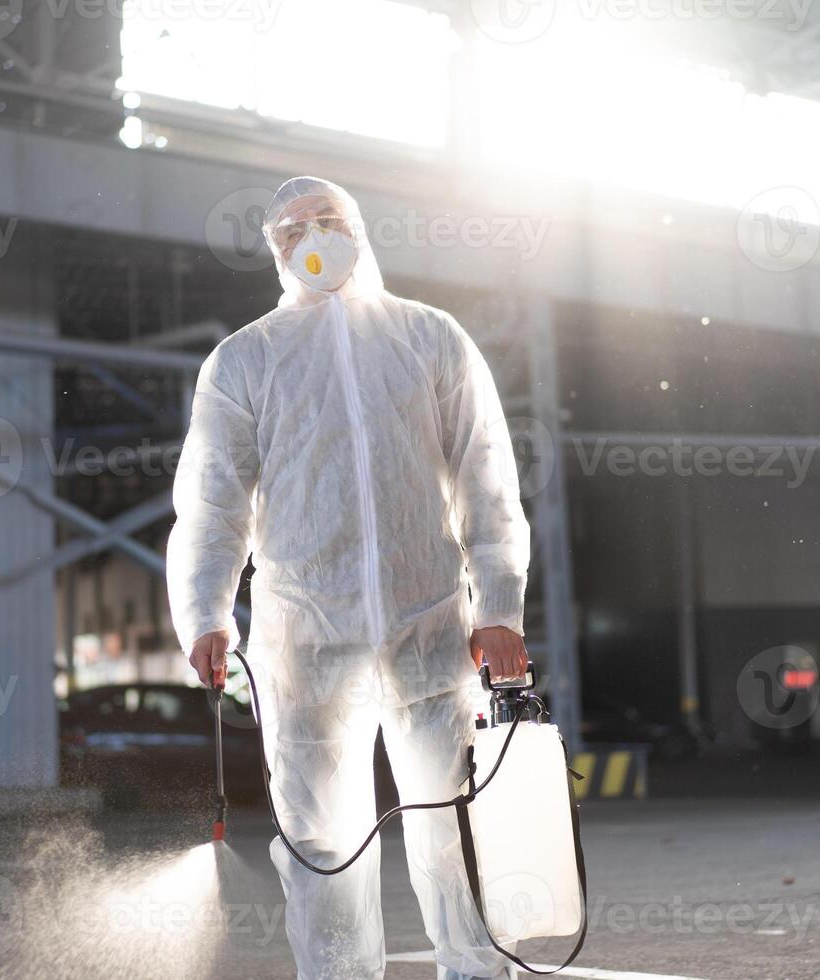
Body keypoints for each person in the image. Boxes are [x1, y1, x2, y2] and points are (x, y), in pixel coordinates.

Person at [167, 176, 530, 980]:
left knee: (452, 826)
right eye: (292, 228)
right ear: (275, 251)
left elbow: (485, 475)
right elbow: (212, 501)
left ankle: (477, 974)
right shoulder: (246, 359)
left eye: (329, 220)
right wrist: (205, 613)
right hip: (306, 643)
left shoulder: (430, 338)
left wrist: (499, 604)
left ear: (360, 230)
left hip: (431, 629)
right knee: (323, 843)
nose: (313, 235)